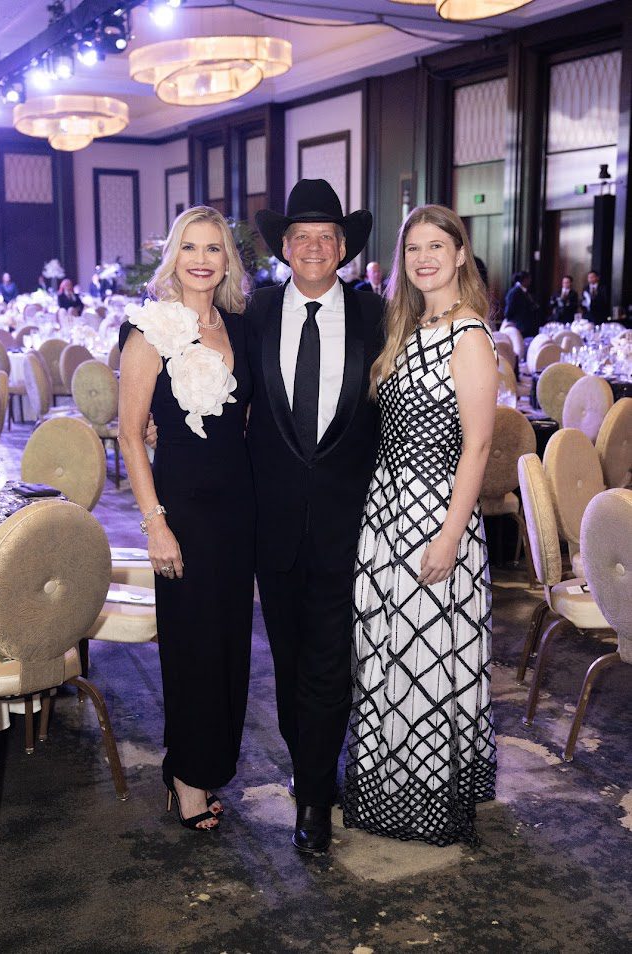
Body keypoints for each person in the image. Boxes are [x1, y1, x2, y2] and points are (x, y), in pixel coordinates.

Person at [343, 205, 498, 846]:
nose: (424, 257)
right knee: (388, 651)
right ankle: (389, 788)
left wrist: (450, 535)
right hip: (386, 512)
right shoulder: (407, 327)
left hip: (437, 514)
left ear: (462, 253)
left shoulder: (468, 335)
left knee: (427, 654)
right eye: (414, 248)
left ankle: (428, 798)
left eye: (438, 245)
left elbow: (480, 446)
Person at [247, 179, 383, 853]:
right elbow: (218, 386)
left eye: (325, 237)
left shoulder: (374, 317)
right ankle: (314, 774)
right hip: (271, 528)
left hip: (345, 523)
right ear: (283, 247)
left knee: (328, 665)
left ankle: (312, 800)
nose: (312, 247)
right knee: (291, 658)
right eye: (300, 236)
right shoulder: (257, 312)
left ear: (343, 249)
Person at [118, 206, 254, 832]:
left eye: (215, 249)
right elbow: (127, 433)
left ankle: (208, 764)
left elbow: (244, 421)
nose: (202, 259)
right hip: (182, 509)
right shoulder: (150, 327)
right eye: (190, 247)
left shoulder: (238, 327)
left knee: (228, 647)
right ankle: (185, 776)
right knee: (191, 647)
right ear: (173, 255)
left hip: (237, 509)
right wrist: (155, 522)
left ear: (228, 261)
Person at [504, 270, 538, 338]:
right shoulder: (514, 292)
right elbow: (509, 310)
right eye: (529, 279)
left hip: (525, 326)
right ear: (524, 279)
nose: (530, 281)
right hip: (519, 326)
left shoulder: (525, 291)